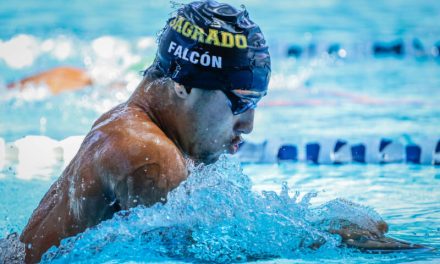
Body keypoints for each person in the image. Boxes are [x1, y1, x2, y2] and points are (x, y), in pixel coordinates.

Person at [17, 1, 422, 263]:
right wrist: (329, 240)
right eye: (241, 103)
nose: (248, 125)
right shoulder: (146, 153)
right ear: (184, 85)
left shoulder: (130, 125)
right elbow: (205, 254)